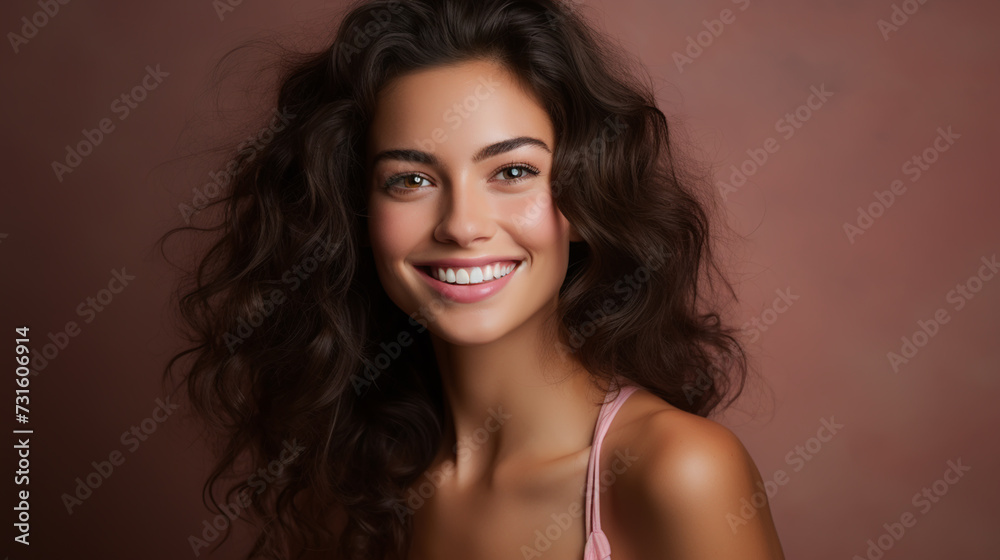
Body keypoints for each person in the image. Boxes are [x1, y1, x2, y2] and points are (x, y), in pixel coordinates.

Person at [161, 0, 785, 558]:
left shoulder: (679, 473)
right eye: (411, 180)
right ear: (355, 214)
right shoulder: (358, 484)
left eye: (512, 172)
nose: (461, 226)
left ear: (585, 198)